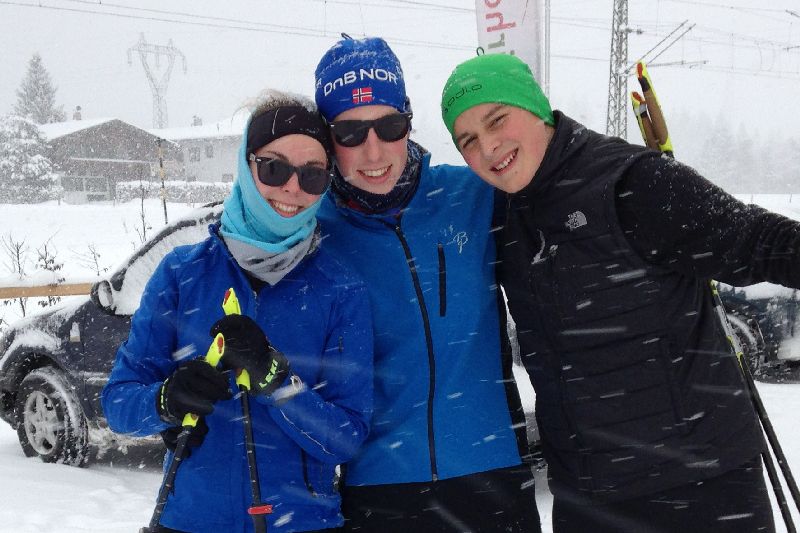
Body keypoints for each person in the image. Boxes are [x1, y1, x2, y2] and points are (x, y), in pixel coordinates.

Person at [439, 52, 800, 532]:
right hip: (588, 496)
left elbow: (763, 242)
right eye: (467, 140)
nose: (488, 146)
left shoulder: (631, 181)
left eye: (497, 119)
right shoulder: (501, 215)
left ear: (535, 108)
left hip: (700, 486)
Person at [101, 90, 373, 533]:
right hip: (190, 521)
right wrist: (165, 400)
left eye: (312, 175)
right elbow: (118, 403)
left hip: (302, 524)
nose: (292, 188)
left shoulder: (339, 288)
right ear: (247, 167)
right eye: (274, 168)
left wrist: (277, 383)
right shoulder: (181, 274)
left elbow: (346, 438)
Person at [313, 35, 542, 532]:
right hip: (378, 490)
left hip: (492, 473)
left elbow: (565, 199)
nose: (373, 150)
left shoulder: (474, 194)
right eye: (350, 133)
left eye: (389, 126)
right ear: (328, 141)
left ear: (408, 122)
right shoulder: (315, 233)